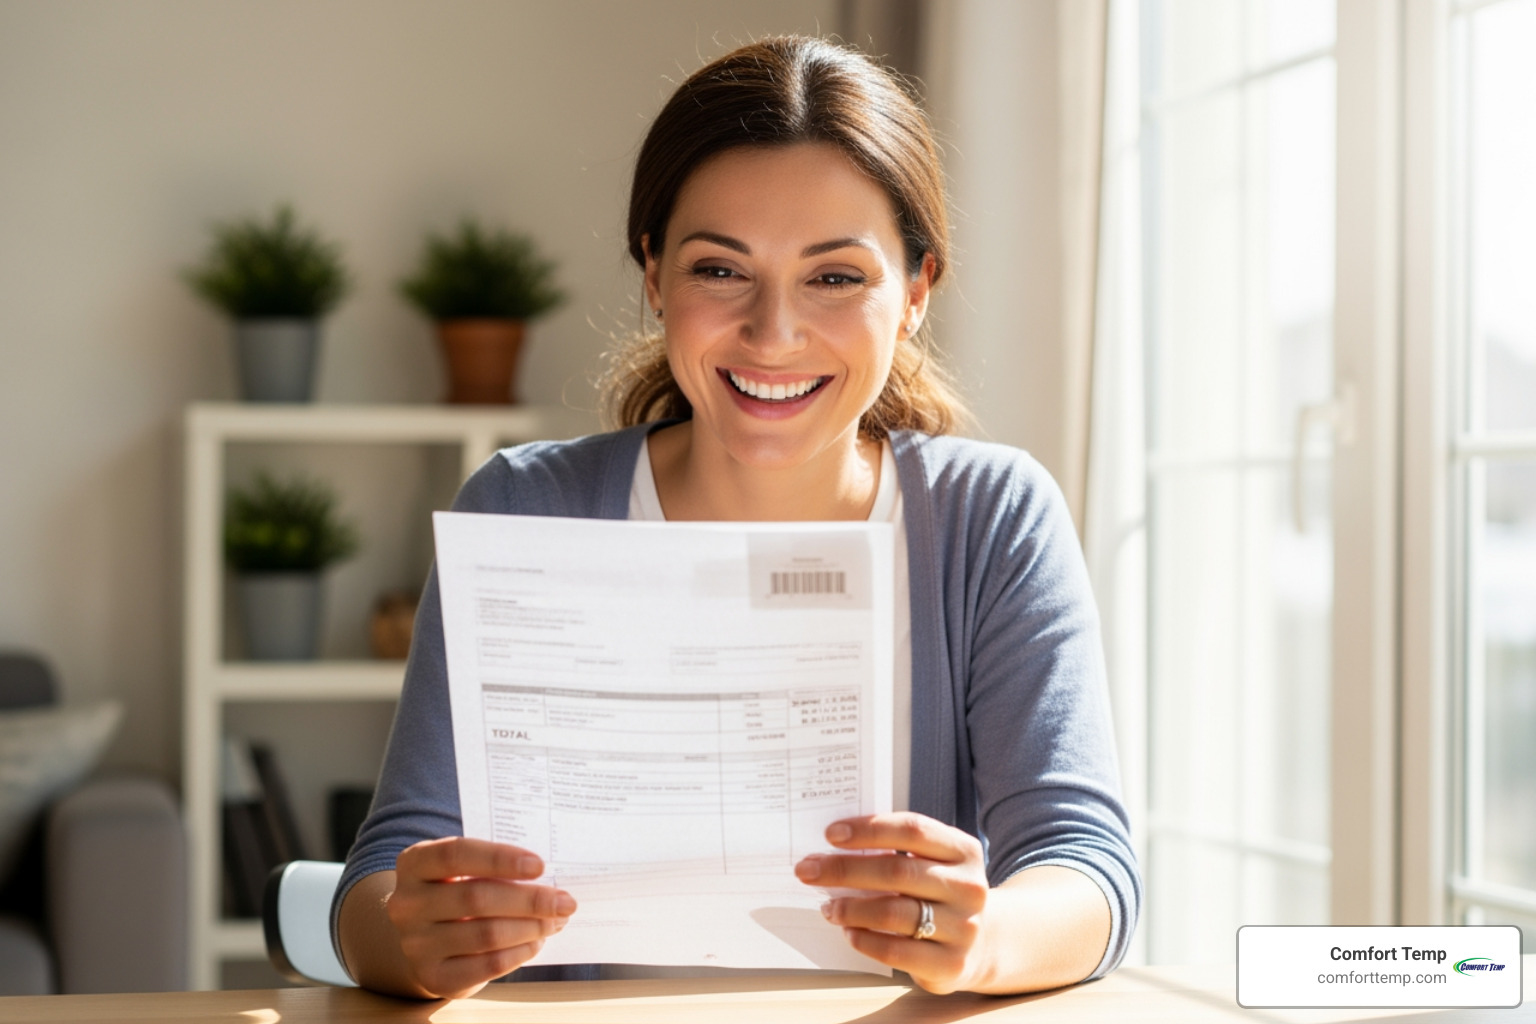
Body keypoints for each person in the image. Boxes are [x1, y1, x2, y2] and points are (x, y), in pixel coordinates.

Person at [334, 35, 1140, 1000]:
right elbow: (377, 880)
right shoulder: (526, 505)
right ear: (653, 273)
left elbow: (1087, 871)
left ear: (917, 292)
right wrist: (411, 935)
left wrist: (987, 934)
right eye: (720, 270)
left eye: (835, 277)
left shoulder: (990, 520)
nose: (774, 333)